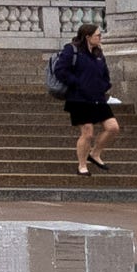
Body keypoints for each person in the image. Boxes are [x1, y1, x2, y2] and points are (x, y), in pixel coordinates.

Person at [50, 24, 119, 175]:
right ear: (87, 37)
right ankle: (82, 165)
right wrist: (78, 83)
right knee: (87, 132)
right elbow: (60, 70)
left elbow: (105, 74)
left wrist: (104, 85)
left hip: (97, 97)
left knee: (113, 127)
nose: (100, 38)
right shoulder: (72, 50)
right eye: (97, 35)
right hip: (78, 98)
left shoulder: (98, 53)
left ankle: (95, 153)